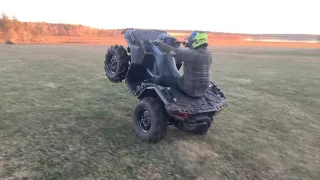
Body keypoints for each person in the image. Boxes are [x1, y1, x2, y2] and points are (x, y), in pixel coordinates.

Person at [154, 31, 212, 98]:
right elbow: (189, 52)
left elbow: (174, 52)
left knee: (163, 79)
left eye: (191, 40)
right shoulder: (208, 53)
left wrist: (160, 44)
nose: (190, 41)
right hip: (202, 88)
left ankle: (156, 93)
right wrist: (185, 44)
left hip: (190, 88)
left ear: (197, 41)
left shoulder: (193, 54)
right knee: (178, 77)